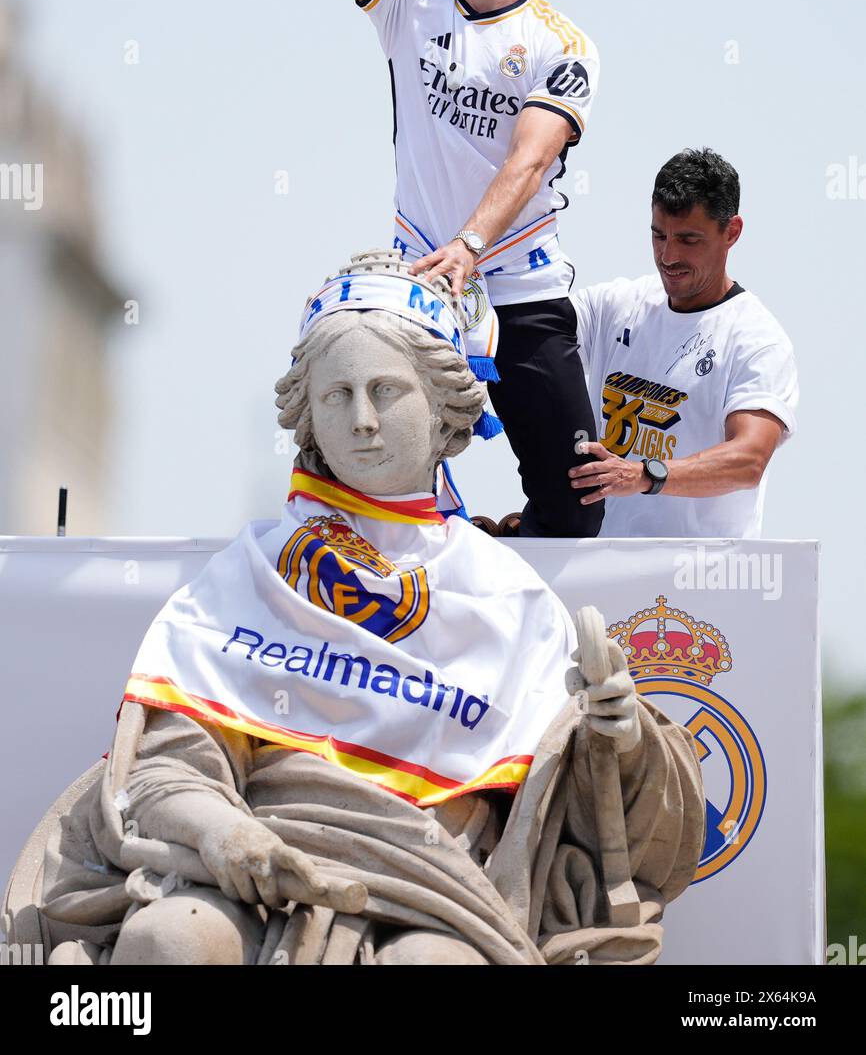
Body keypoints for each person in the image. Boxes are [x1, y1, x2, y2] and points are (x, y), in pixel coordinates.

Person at [22, 251, 704, 967]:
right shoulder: (252, 573)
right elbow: (166, 767)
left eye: (386, 390)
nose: (363, 421)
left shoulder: (510, 594)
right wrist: (223, 832)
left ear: (443, 406)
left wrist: (619, 737)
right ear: (308, 416)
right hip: (253, 868)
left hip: (438, 889)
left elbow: (580, 816)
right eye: (337, 395)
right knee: (172, 937)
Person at [300, 0, 603, 538]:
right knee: (359, 477)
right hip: (414, 289)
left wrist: (470, 246)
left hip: (520, 289)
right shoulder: (411, 3)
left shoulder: (562, 43)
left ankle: (493, 562)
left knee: (576, 507)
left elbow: (529, 160)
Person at [567, 149, 799, 537]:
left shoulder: (758, 340)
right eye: (659, 235)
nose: (668, 256)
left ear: (732, 232)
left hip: (697, 572)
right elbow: (527, 337)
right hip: (598, 564)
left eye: (689, 239)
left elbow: (749, 459)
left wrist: (644, 475)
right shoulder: (614, 305)